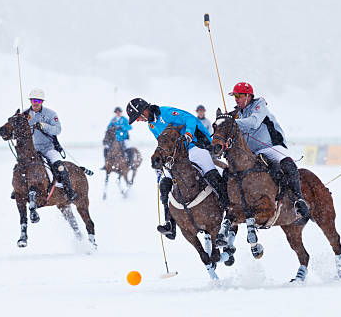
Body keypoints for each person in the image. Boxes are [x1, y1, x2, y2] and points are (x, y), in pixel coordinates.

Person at [215, 82, 311, 243]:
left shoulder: (259, 105)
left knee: (287, 164)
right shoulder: (236, 113)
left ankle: (299, 200)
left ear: (248, 96)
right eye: (235, 96)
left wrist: (230, 122)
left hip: (271, 146)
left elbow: (253, 123)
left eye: (239, 96)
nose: (236, 99)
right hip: (251, 153)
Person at [126, 98, 229, 239]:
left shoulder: (166, 112)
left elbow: (190, 119)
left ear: (144, 110)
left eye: (137, 117)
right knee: (164, 183)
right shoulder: (151, 126)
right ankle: (170, 223)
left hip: (195, 146)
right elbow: (162, 143)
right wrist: (161, 162)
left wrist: (188, 134)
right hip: (177, 156)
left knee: (210, 173)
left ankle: (229, 209)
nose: (137, 120)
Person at [24, 88, 77, 202]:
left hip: (48, 148)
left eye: (37, 101)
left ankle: (69, 191)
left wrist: (45, 126)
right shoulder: (25, 114)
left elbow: (57, 130)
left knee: (59, 166)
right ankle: (18, 189)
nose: (35, 103)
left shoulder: (51, 114)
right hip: (32, 150)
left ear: (42, 102)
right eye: (33, 100)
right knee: (21, 167)